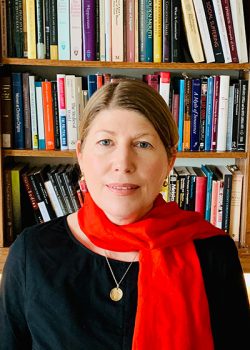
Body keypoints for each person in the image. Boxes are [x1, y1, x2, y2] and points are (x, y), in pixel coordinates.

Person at [0, 79, 249, 350]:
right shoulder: (31, 253)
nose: (123, 163)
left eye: (142, 145)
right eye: (106, 142)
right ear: (81, 155)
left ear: (169, 161)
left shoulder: (214, 253)